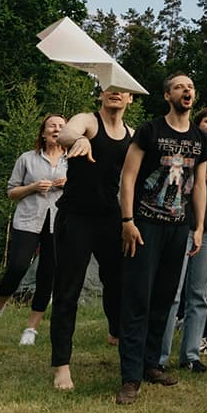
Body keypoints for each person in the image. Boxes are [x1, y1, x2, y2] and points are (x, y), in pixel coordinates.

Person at [115, 73, 207, 405]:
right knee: (138, 299)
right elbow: (128, 177)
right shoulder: (149, 130)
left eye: (191, 86)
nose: (187, 90)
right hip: (144, 225)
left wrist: (198, 227)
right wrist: (127, 220)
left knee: (163, 298)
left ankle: (151, 364)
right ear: (168, 96)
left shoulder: (201, 139)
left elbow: (199, 186)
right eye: (180, 87)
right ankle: (130, 377)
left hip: (178, 227)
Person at [50, 87, 134, 392]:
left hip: (110, 216)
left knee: (117, 282)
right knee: (67, 291)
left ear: (130, 99)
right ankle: (62, 365)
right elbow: (65, 134)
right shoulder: (87, 120)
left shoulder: (131, 134)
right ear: (101, 95)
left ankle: (116, 331)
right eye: (110, 89)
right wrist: (80, 140)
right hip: (75, 217)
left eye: (122, 91)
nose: (115, 93)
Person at [0, 114, 67, 346]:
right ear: (43, 133)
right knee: (17, 266)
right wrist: (33, 186)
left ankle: (31, 328)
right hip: (28, 220)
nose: (56, 129)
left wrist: (70, 185)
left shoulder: (74, 160)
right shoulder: (27, 158)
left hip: (59, 223)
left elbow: (86, 190)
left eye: (61, 126)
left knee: (48, 274)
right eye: (52, 126)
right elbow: (11, 192)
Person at [157, 106, 207, 371]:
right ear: (198, 124)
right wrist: (203, 174)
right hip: (180, 225)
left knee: (200, 293)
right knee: (172, 292)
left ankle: (191, 355)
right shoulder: (185, 147)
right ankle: (159, 357)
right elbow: (172, 186)